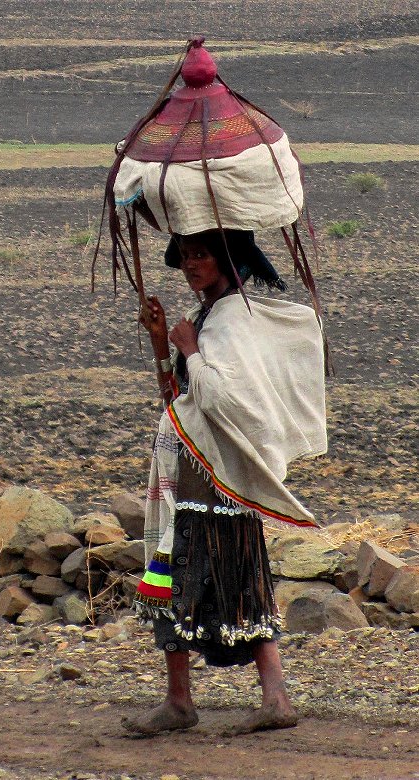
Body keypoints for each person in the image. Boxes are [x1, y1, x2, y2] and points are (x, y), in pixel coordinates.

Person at [122, 230, 327, 736]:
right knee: (233, 579)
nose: (191, 265)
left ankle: (187, 702)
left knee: (193, 577)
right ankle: (260, 698)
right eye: (185, 256)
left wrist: (190, 349)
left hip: (215, 479)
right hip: (203, 474)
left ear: (227, 261)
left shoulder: (233, 321)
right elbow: (180, 398)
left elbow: (223, 402)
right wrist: (161, 341)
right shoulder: (209, 318)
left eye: (201, 255)